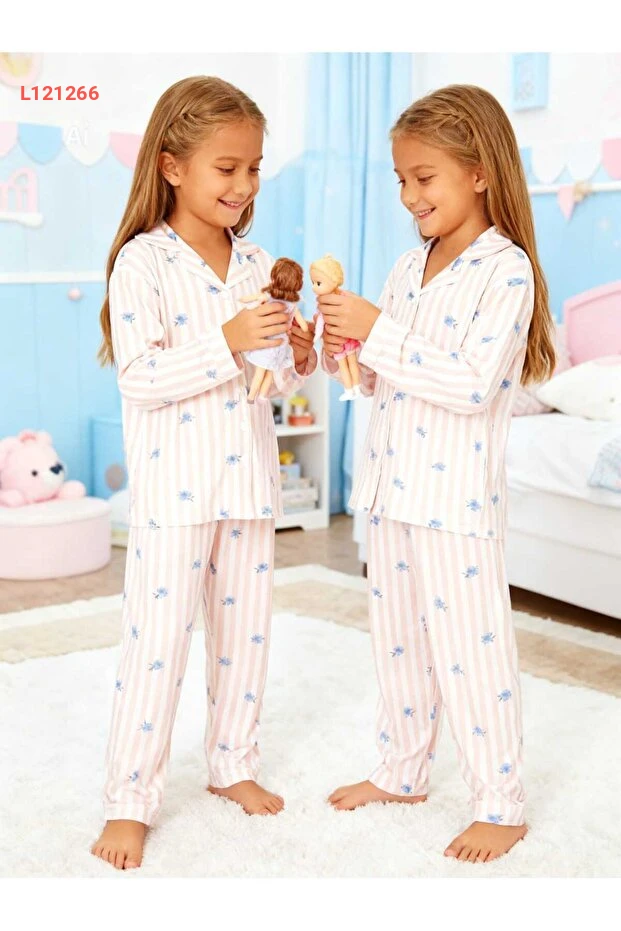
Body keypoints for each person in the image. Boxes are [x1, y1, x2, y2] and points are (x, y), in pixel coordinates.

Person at [318, 84, 555, 863]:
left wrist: (378, 332)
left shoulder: (504, 271)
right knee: (399, 645)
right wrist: (341, 348)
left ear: (479, 172)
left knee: (471, 650)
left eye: (423, 177)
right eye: (400, 179)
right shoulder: (406, 266)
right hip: (390, 488)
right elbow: (379, 377)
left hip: (454, 500)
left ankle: (500, 801)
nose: (408, 195)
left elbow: (471, 383)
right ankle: (401, 769)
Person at [91, 75, 316, 870]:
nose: (243, 184)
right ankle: (129, 798)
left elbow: (270, 380)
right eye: (227, 167)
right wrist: (226, 338)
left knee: (244, 639)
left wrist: (295, 353)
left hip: (248, 483)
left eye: (253, 168)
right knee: (156, 647)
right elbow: (140, 378)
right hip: (174, 490)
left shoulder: (255, 261)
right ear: (172, 165)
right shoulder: (142, 263)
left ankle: (232, 762)